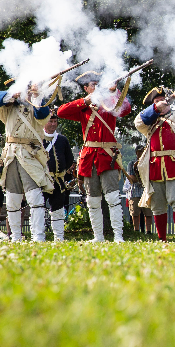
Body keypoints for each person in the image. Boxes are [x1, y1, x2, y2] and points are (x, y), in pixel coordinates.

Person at [57, 71, 133, 243]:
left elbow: (126, 109)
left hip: (108, 156)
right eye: (93, 85)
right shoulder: (83, 107)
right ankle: (98, 237)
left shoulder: (110, 104)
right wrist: (85, 101)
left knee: (113, 198)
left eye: (99, 85)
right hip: (90, 157)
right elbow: (61, 112)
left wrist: (114, 91)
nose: (97, 88)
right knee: (92, 200)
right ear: (86, 88)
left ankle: (118, 236)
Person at [0, 83, 54, 242]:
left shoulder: (38, 105)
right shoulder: (7, 107)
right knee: (12, 200)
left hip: (30, 156)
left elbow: (43, 115)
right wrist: (12, 94)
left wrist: (36, 96)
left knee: (35, 198)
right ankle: (15, 236)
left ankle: (38, 236)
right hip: (11, 155)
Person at [134, 86, 175, 242]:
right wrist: (156, 108)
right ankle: (162, 238)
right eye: (156, 101)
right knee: (158, 205)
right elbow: (138, 122)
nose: (161, 103)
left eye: (163, 100)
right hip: (155, 168)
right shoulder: (149, 121)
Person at [42, 111, 75, 242]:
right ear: (45, 122)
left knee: (58, 209)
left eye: (55, 121)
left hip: (58, 180)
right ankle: (38, 236)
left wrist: (62, 172)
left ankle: (59, 237)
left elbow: (69, 159)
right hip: (42, 180)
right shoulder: (38, 137)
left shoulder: (62, 139)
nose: (53, 124)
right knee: (38, 207)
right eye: (51, 121)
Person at [126, 147, 149, 234]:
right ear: (136, 153)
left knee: (148, 213)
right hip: (135, 191)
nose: (141, 153)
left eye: (143, 151)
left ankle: (148, 231)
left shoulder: (148, 162)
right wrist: (142, 180)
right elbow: (131, 177)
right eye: (140, 151)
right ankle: (136, 230)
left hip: (146, 190)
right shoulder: (131, 163)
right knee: (135, 213)